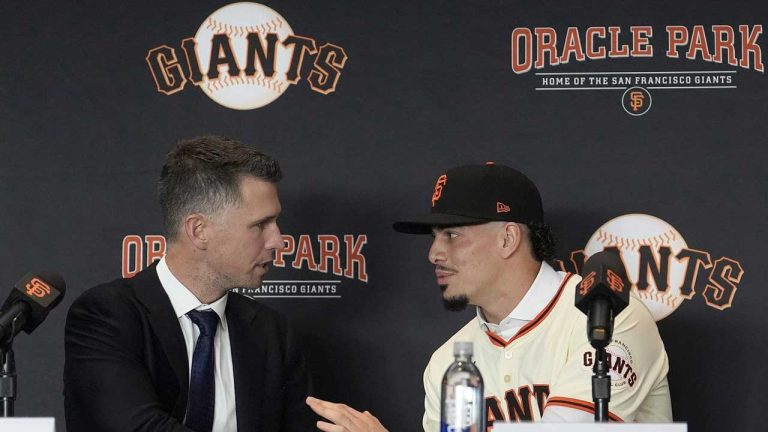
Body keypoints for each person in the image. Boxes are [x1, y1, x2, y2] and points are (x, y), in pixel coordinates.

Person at [308, 162, 672, 431]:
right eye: (433, 237)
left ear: (508, 238)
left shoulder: (605, 316)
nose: (434, 253)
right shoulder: (447, 362)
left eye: (451, 235)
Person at [64, 136, 313, 431]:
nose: (278, 241)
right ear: (199, 231)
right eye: (260, 224)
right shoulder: (106, 315)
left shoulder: (272, 333)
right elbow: (138, 427)